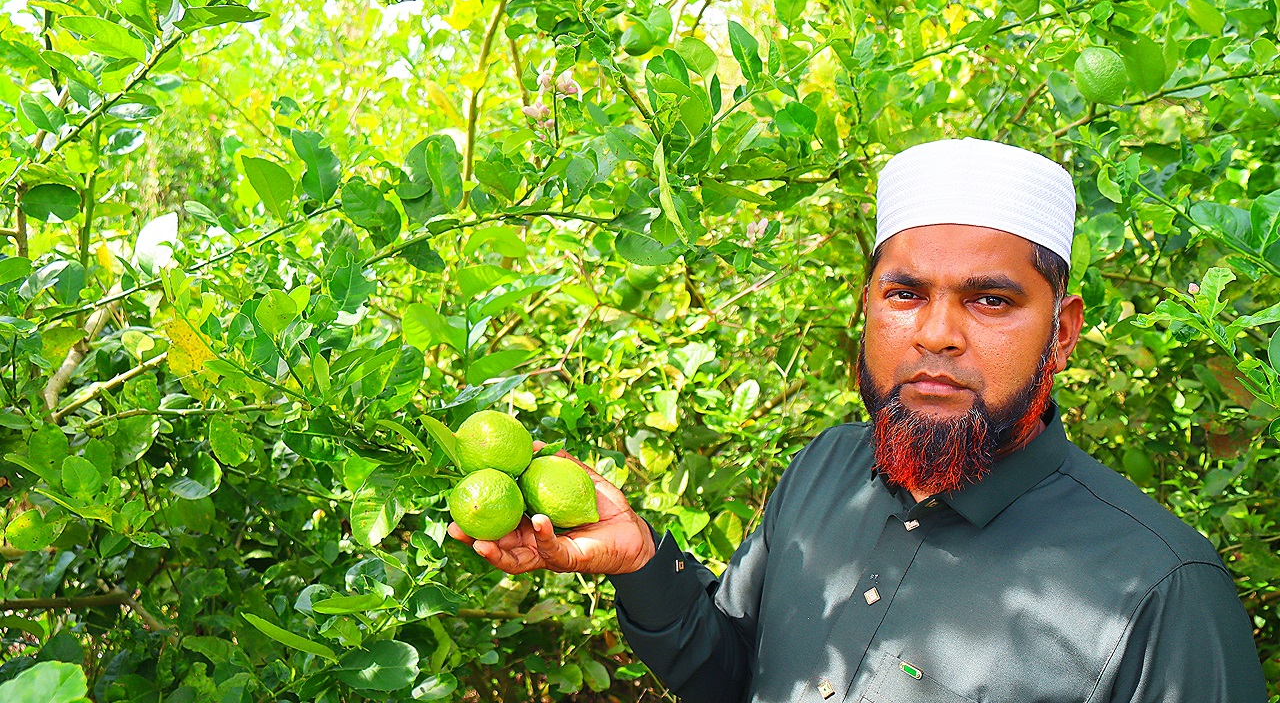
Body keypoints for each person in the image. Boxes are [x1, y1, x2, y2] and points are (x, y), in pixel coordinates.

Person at [447, 137, 1267, 702]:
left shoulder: (1163, 592)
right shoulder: (827, 468)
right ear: (868, 307)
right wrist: (638, 561)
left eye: (990, 300)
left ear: (1063, 331)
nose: (937, 333)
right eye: (905, 293)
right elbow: (732, 675)